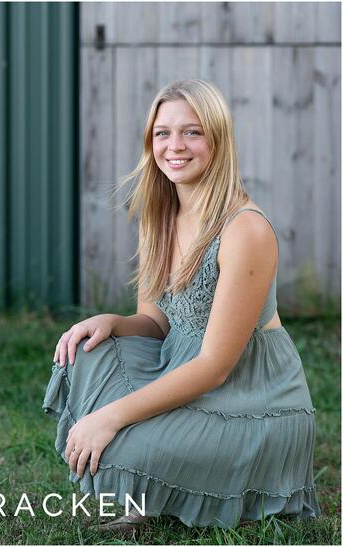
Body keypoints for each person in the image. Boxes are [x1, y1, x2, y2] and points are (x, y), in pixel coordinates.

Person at [44, 79, 320, 530]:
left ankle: (216, 492)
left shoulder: (244, 230)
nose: (175, 146)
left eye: (192, 132)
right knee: (86, 354)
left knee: (116, 445)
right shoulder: (160, 214)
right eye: (162, 133)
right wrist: (111, 321)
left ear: (218, 139)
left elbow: (215, 366)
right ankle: (164, 479)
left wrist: (109, 417)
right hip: (178, 366)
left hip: (247, 398)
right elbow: (156, 321)